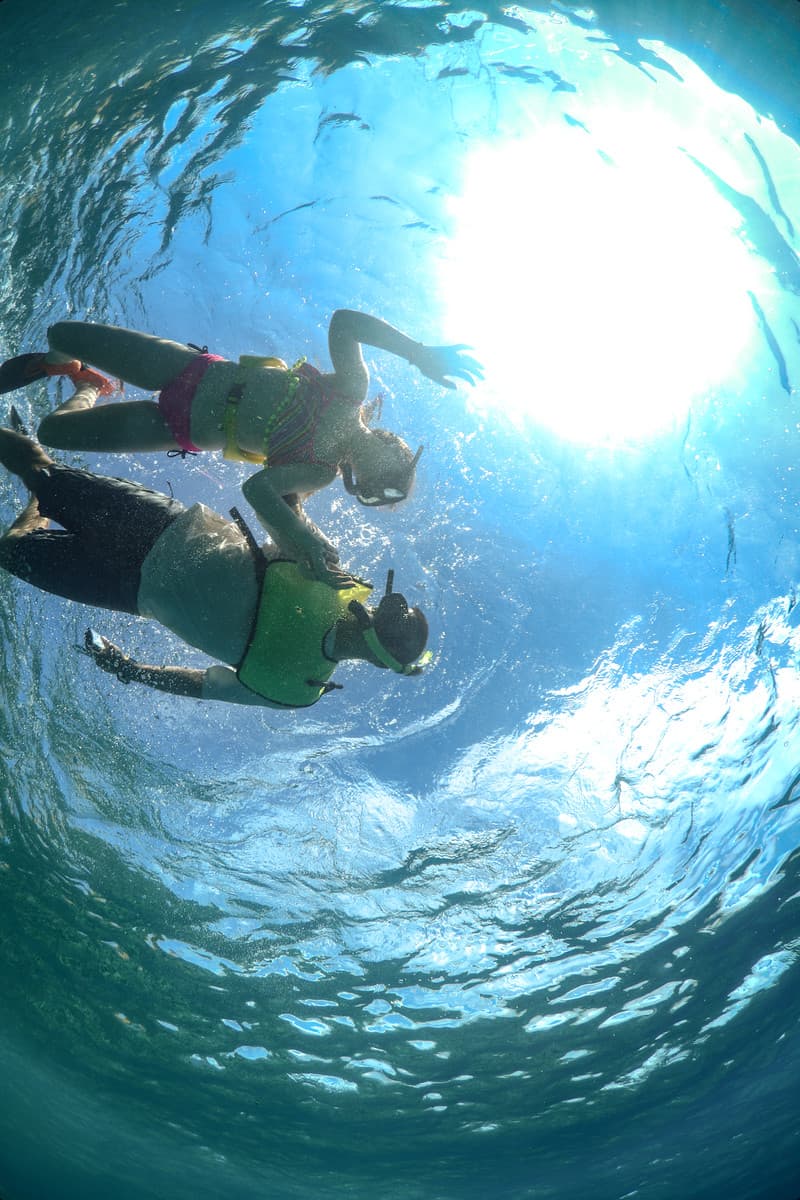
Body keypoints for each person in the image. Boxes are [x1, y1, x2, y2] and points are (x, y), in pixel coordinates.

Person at [0, 310, 482, 583]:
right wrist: (419, 353)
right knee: (61, 335)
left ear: (368, 479)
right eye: (400, 455)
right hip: (191, 369)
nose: (394, 454)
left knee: (51, 434)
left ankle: (88, 387)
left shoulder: (317, 472)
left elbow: (260, 493)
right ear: (393, 442)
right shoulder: (352, 390)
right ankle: (61, 364)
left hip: (176, 429)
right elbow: (345, 323)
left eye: (392, 469)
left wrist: (310, 543)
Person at [0, 425, 430, 707]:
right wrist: (314, 460)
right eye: (388, 608)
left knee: (11, 552)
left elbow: (204, 686)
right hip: (161, 528)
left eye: (390, 617)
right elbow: (283, 504)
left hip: (133, 594)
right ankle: (42, 491)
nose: (379, 608)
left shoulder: (297, 689)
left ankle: (40, 504)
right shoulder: (330, 574)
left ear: (382, 647)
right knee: (42, 476)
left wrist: (130, 670)